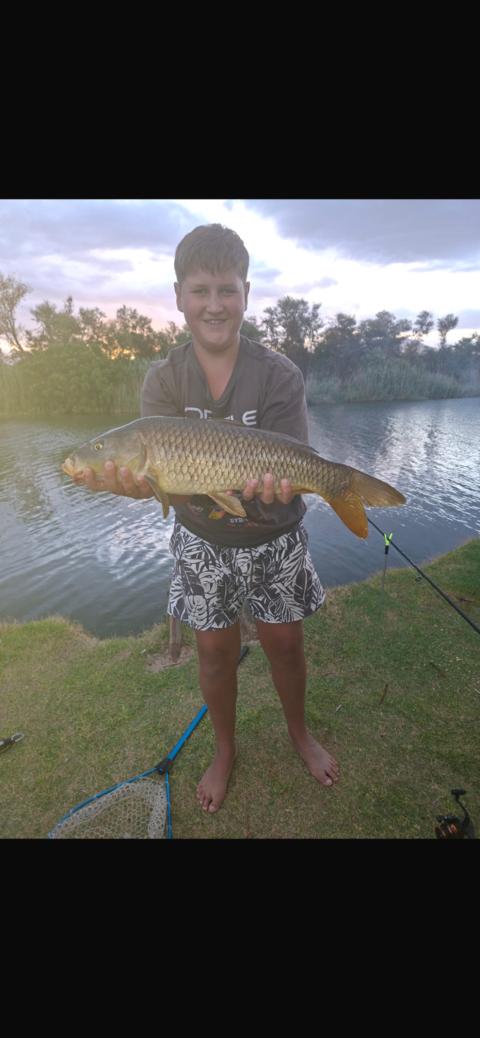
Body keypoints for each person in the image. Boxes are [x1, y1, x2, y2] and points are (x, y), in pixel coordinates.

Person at [78, 224, 339, 813]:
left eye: (227, 290)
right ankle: (225, 749)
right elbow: (161, 486)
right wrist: (132, 487)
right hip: (202, 541)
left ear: (246, 294)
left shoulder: (279, 374)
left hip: (275, 535)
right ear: (179, 297)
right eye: (200, 291)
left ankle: (300, 733)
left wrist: (280, 488)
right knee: (214, 652)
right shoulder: (164, 379)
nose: (214, 304)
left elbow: (292, 462)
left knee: (285, 643)